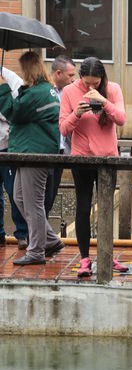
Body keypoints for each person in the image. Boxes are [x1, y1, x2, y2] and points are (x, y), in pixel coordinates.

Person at [59, 56, 128, 278]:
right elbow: (63, 129)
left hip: (108, 159)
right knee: (83, 207)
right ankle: (85, 259)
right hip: (82, 158)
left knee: (106, 207)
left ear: (102, 78)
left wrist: (103, 100)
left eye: (96, 83)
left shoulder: (113, 89)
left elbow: (121, 119)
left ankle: (107, 255)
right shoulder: (70, 92)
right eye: (87, 82)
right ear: (80, 77)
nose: (90, 87)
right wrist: (76, 113)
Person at [0, 51, 64, 266]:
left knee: (33, 203)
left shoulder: (38, 92)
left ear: (29, 70)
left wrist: (2, 88)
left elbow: (14, 113)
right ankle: (51, 240)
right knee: (19, 197)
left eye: (23, 70)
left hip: (35, 153)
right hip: (31, 152)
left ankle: (36, 251)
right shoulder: (45, 90)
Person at [0, 66, 28, 250]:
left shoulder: (10, 78)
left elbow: (17, 112)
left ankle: (22, 233)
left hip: (7, 145)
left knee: (14, 192)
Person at [44, 55, 75, 218]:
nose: (73, 80)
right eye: (70, 75)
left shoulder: (70, 93)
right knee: (42, 195)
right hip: (46, 149)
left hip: (61, 150)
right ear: (58, 73)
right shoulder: (45, 91)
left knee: (52, 194)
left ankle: (43, 234)